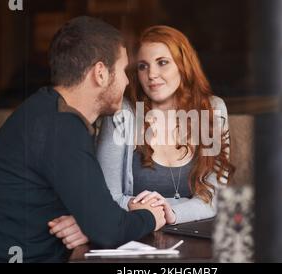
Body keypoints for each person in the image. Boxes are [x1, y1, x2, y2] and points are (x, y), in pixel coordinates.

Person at [0, 16, 165, 263]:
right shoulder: (61, 127)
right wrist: (150, 215)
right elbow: (109, 230)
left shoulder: (46, 109)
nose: (127, 81)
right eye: (123, 71)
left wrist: (88, 222)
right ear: (101, 73)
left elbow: (96, 217)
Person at [50, 25, 234, 249]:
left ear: (184, 65)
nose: (152, 75)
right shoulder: (123, 113)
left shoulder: (212, 110)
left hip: (195, 238)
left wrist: (170, 212)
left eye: (162, 62)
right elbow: (107, 197)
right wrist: (153, 213)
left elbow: (214, 198)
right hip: (135, 238)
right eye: (143, 66)